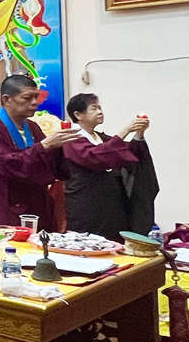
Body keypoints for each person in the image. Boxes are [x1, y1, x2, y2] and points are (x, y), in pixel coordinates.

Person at [0, 74, 80, 229]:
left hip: (35, 206)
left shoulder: (33, 127)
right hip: (5, 206)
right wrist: (44, 146)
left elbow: (48, 165)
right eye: (27, 98)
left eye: (36, 97)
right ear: (6, 100)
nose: (34, 102)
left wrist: (59, 147)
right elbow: (9, 165)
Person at [61, 94, 158, 241]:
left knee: (114, 242)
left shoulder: (100, 137)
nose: (100, 112)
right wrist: (126, 130)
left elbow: (128, 152)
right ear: (78, 115)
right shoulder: (71, 138)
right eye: (94, 108)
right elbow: (96, 156)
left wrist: (139, 133)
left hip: (111, 204)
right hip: (86, 203)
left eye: (100, 108)